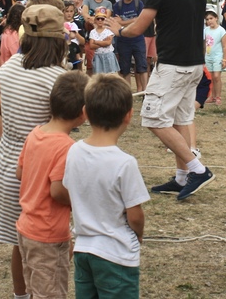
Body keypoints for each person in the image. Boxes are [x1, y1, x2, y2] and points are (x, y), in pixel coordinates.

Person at [108, 0, 213, 201]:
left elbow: (140, 27)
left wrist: (119, 30)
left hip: (173, 65)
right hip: (195, 63)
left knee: (154, 119)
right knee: (180, 119)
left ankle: (197, 170)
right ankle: (180, 178)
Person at [0, 4, 70, 298]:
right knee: (49, 245)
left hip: (7, 162)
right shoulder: (56, 79)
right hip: (41, 168)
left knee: (20, 241)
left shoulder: (8, 67)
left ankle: (21, 295)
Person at [64, 74, 149, 299]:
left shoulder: (73, 151)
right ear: (129, 116)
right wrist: (138, 235)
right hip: (116, 254)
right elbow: (135, 215)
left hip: (83, 249)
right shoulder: (125, 163)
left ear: (85, 113)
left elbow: (70, 193)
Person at [15, 72, 88, 299]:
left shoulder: (35, 134)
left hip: (26, 227)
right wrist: (81, 200)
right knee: (51, 292)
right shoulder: (67, 147)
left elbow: (20, 172)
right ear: (84, 113)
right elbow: (57, 191)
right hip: (48, 233)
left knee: (37, 287)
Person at [113, 0, 148, 92]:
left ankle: (145, 92)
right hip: (123, 41)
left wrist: (124, 22)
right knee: (125, 69)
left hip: (138, 39)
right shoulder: (117, 6)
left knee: (142, 66)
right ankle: (127, 93)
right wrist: (133, 20)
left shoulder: (139, 4)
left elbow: (140, 20)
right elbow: (116, 23)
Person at [203, 10, 226, 104]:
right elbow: (204, 45)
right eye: (207, 19)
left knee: (217, 76)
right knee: (211, 77)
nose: (209, 21)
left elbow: (225, 46)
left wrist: (224, 59)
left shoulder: (221, 30)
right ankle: (212, 96)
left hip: (218, 56)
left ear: (216, 18)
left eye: (211, 18)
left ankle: (218, 96)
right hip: (208, 56)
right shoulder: (206, 30)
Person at [88, 7, 118, 74]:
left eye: (102, 19)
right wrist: (103, 42)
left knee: (110, 76)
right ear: (95, 20)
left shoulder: (109, 30)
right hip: (98, 56)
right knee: (99, 76)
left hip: (109, 56)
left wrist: (96, 42)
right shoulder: (92, 32)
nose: (100, 20)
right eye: (98, 18)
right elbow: (91, 46)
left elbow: (108, 43)